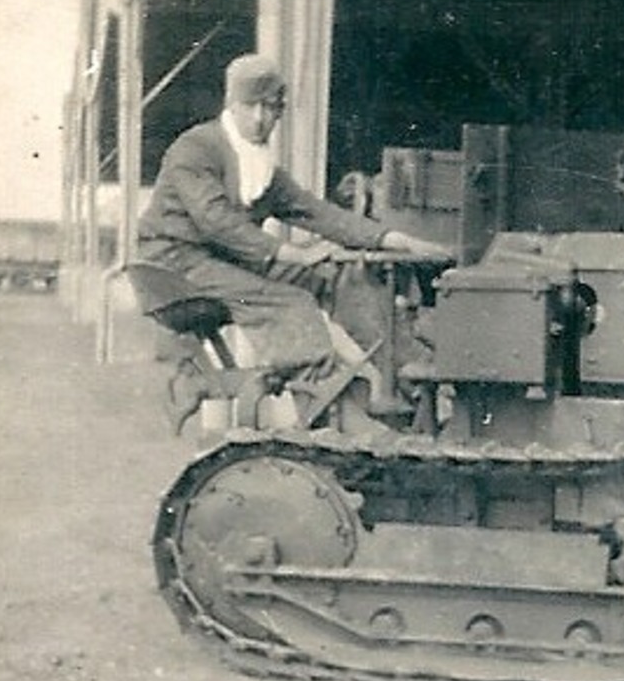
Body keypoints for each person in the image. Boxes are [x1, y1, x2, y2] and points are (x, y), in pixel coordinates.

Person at [136, 53, 450, 424]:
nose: (259, 119)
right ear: (230, 104)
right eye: (249, 106)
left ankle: (415, 382)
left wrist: (395, 240)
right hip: (171, 266)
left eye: (269, 109)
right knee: (288, 302)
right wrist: (288, 253)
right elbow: (215, 221)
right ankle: (329, 414)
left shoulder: (261, 169)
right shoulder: (195, 149)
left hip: (223, 263)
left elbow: (318, 212)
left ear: (279, 112)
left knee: (342, 278)